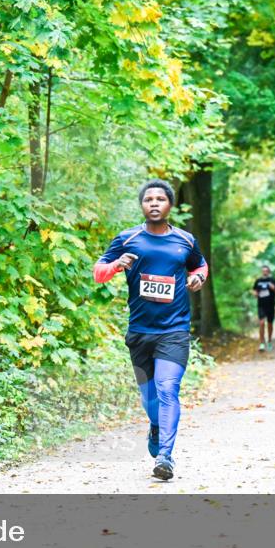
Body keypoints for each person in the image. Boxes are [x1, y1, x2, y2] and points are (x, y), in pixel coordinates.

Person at [93, 179, 209, 481]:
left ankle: (165, 456)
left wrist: (198, 278)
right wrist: (117, 264)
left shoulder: (185, 240)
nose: (154, 203)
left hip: (175, 331)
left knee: (167, 388)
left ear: (170, 204)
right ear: (142, 205)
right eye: (149, 199)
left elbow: (200, 265)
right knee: (149, 399)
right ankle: (156, 426)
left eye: (160, 199)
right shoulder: (127, 239)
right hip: (140, 332)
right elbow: (98, 273)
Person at [251, 266, 275, 352]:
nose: (265, 272)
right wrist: (255, 294)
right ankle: (261, 343)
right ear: (261, 272)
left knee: (269, 324)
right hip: (261, 305)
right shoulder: (258, 281)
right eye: (263, 271)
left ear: (268, 272)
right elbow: (253, 290)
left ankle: (269, 341)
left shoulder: (273, 280)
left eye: (266, 271)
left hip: (270, 305)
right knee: (261, 323)